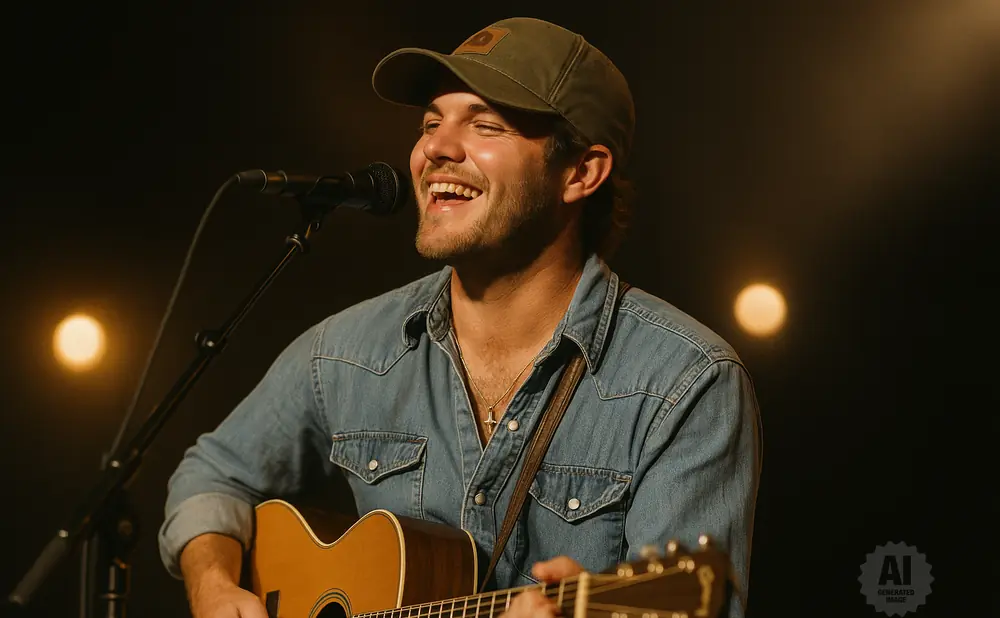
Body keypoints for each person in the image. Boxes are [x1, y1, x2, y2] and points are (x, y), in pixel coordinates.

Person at [158, 16, 763, 618]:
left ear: (581, 172)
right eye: (430, 123)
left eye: (485, 125)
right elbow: (211, 475)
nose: (436, 148)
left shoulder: (686, 381)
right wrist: (212, 584)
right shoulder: (346, 352)